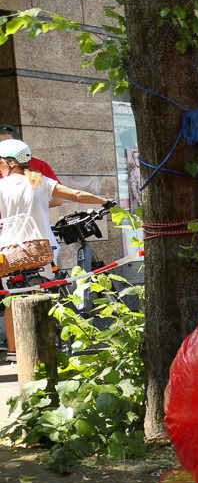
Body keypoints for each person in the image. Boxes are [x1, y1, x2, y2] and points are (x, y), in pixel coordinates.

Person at [0, 139, 111, 357]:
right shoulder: (40, 182)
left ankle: (14, 351)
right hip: (42, 249)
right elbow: (76, 195)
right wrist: (104, 200)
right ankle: (53, 343)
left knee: (12, 299)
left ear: (11, 162)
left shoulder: (1, 186)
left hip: (9, 252)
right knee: (51, 295)